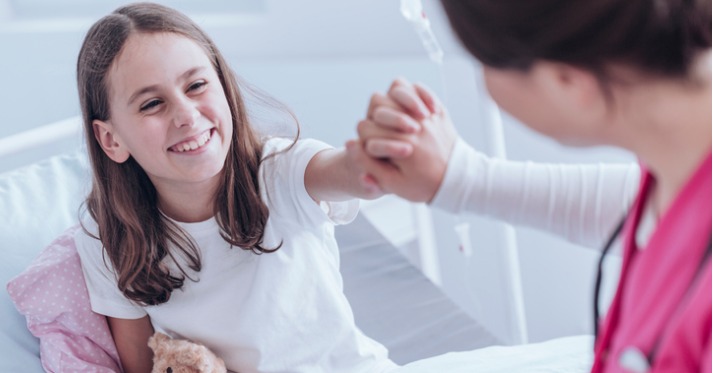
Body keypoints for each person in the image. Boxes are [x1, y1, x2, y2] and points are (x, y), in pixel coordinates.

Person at [348, 0, 711, 372]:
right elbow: (662, 217)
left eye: (484, 64)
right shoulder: (680, 159)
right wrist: (461, 178)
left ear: (568, 82)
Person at [73, 3, 393, 372]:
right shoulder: (106, 237)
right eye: (152, 104)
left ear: (223, 86)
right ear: (111, 139)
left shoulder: (282, 170)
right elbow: (141, 365)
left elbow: (347, 172)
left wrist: (378, 160)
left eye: (196, 85)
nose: (187, 115)